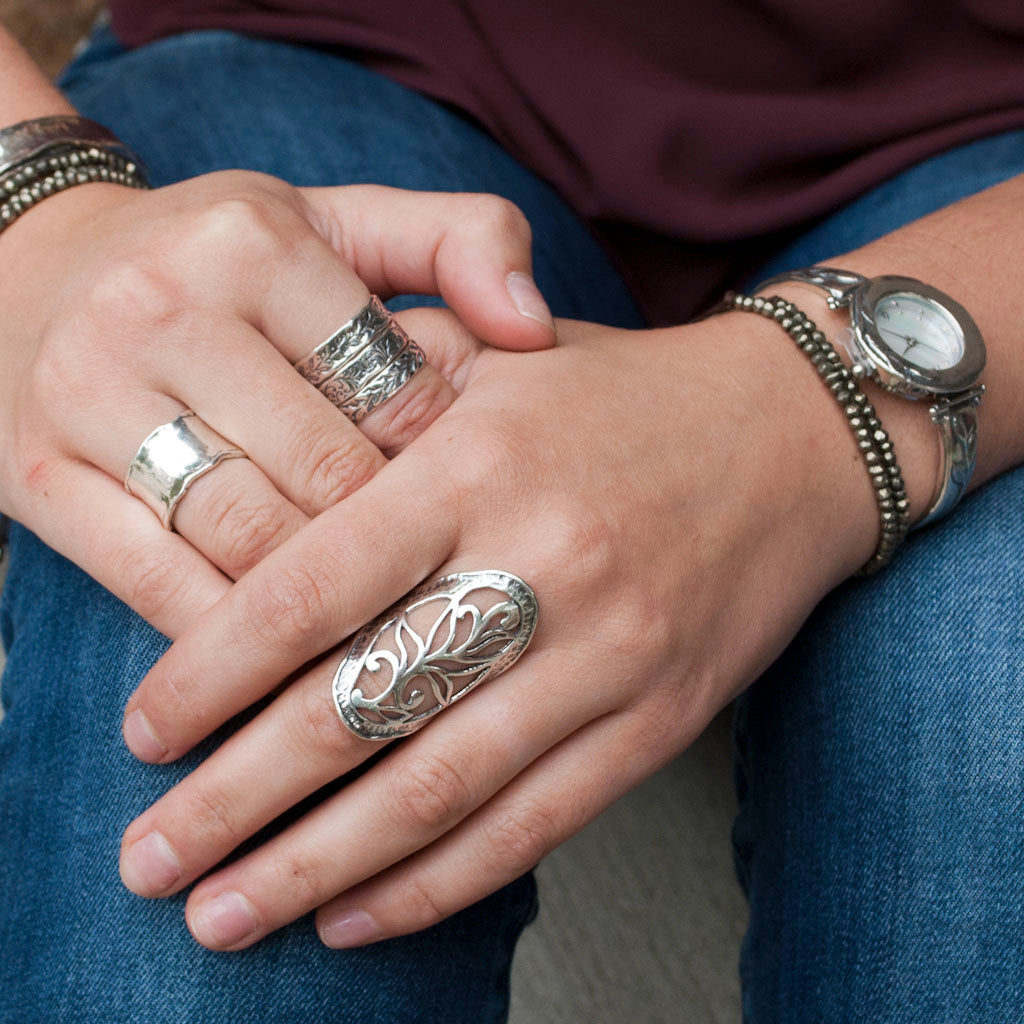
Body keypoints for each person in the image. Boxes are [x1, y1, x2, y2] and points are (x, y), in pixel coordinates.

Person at [1, 3, 1023, 1021]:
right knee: (227, 804)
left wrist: (803, 411)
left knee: (987, 732)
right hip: (334, 56)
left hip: (988, 163)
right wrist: (34, 217)